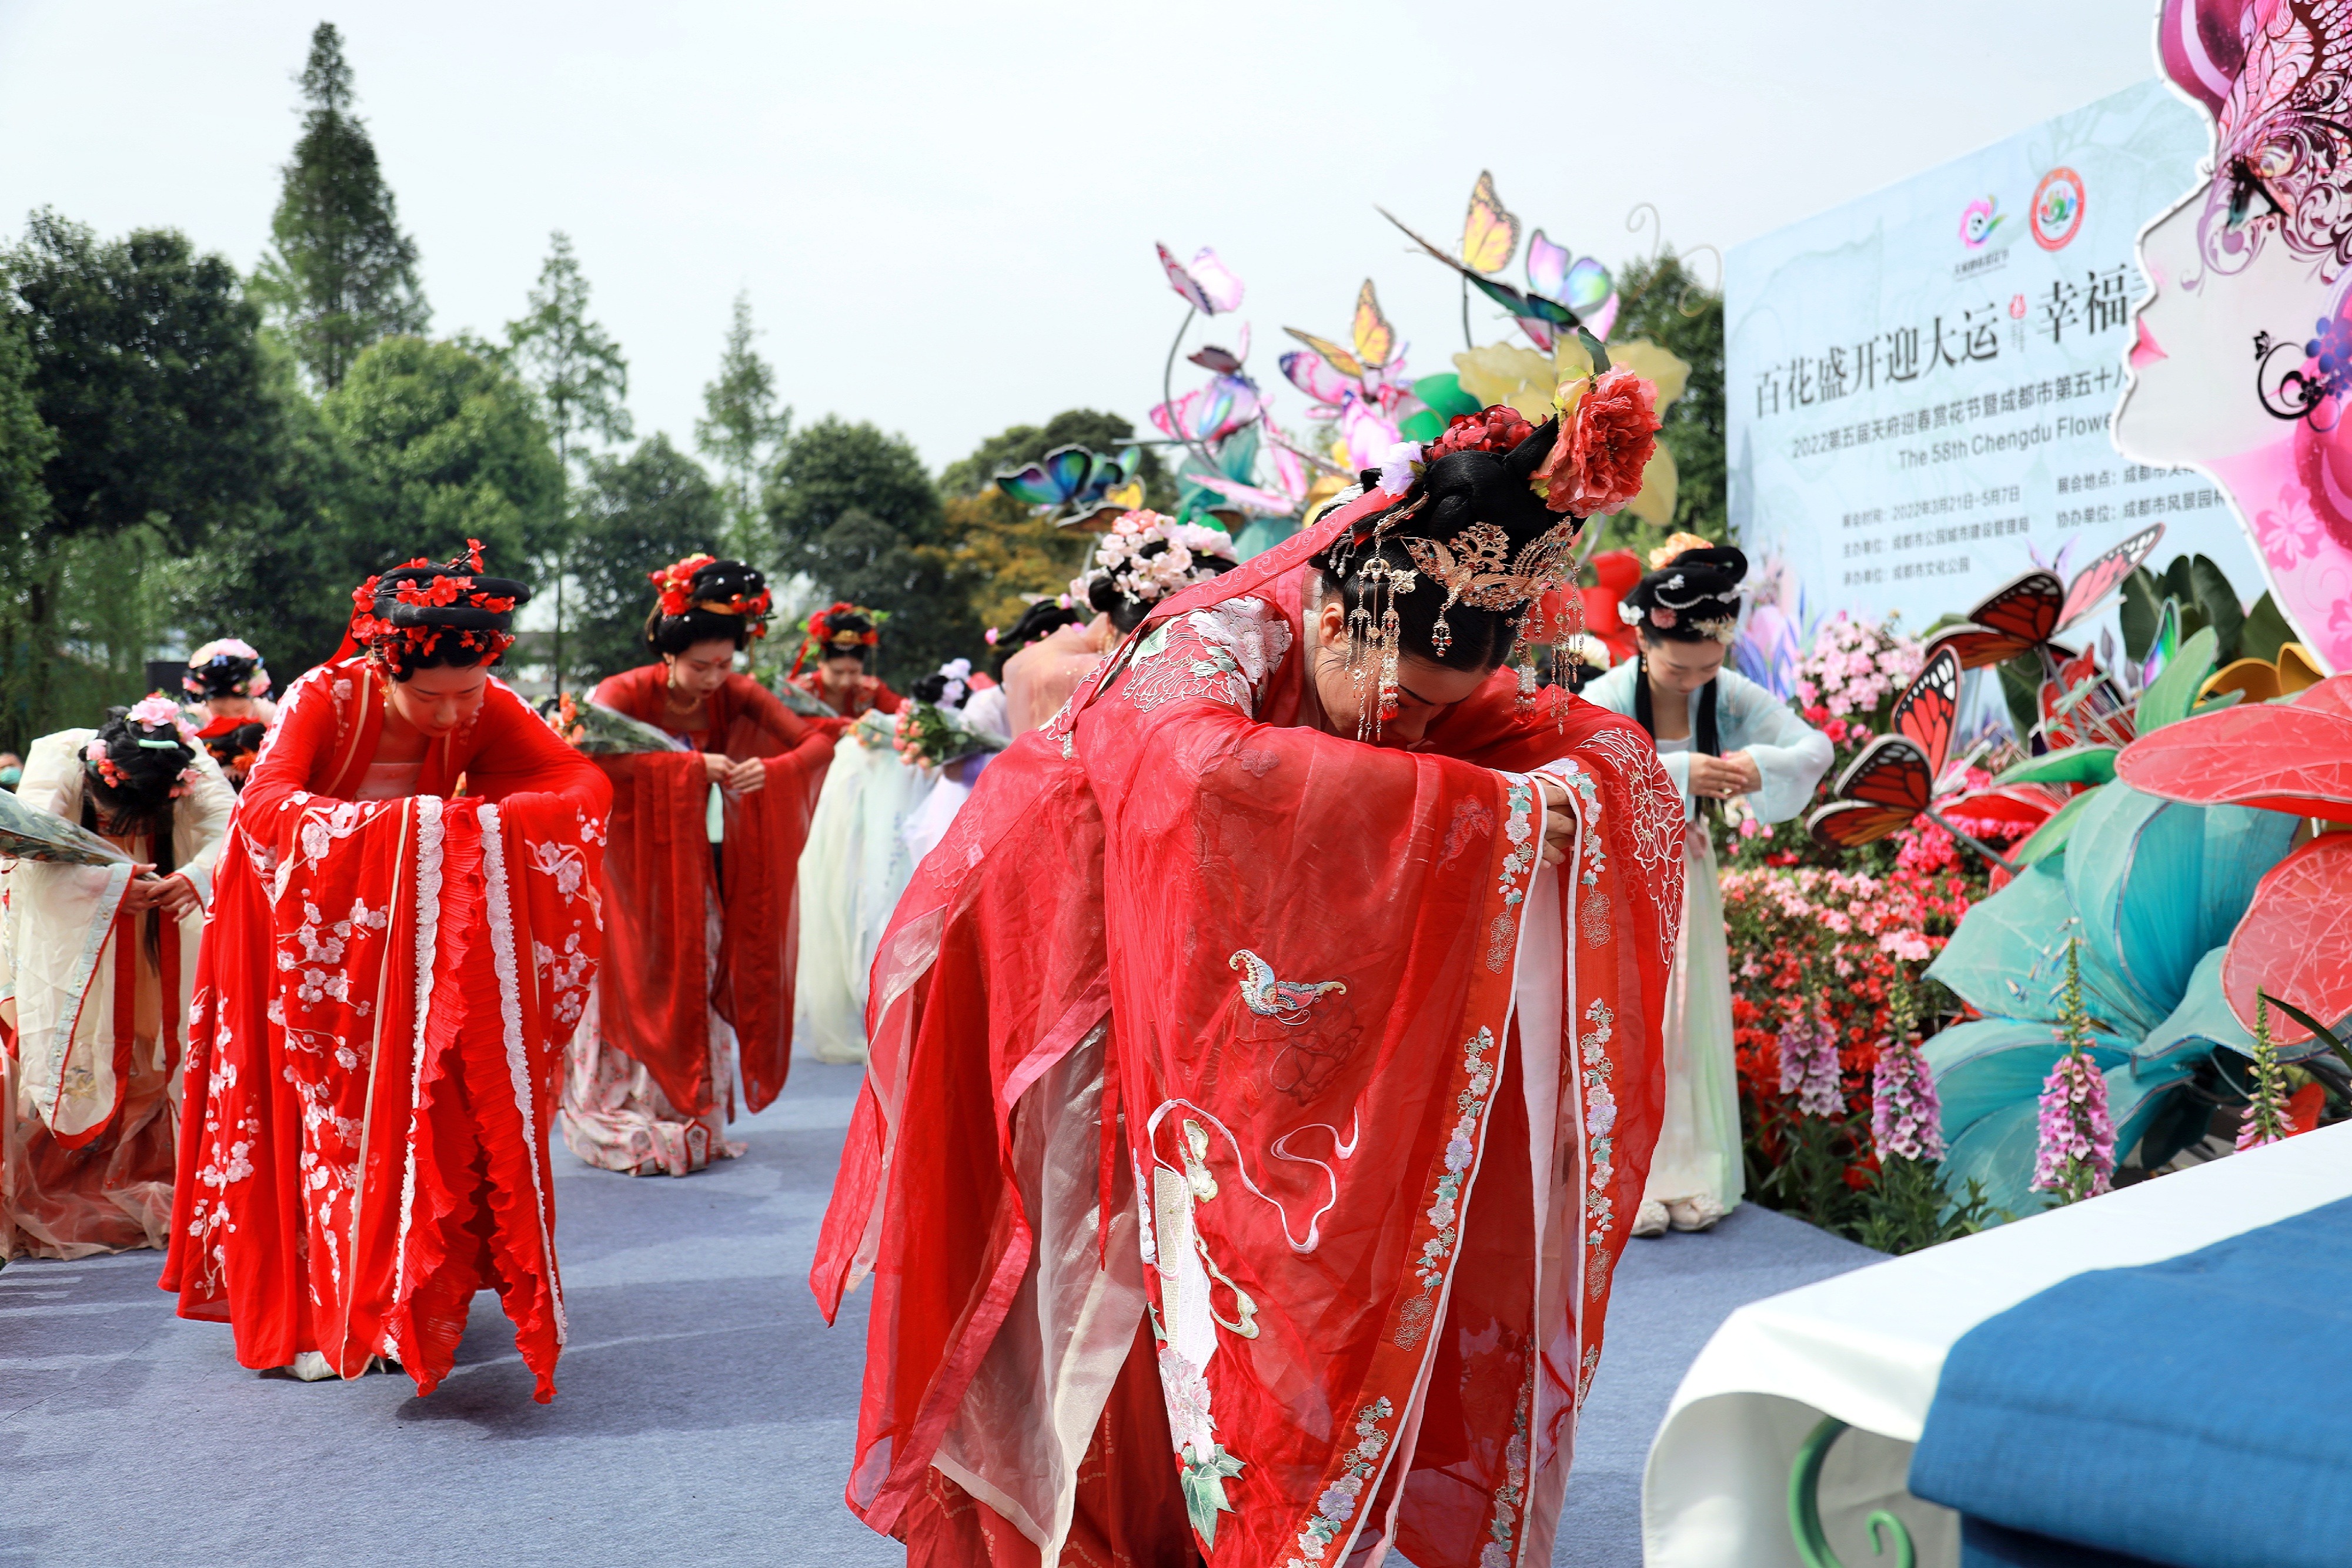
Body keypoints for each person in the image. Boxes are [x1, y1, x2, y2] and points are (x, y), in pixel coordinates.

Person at [814, 400, 1686, 1567]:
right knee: (1107, 1271)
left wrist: (1578, 780)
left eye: (1444, 709)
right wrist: (1504, 812)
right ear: (1340, 610)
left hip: (1204, 972)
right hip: (1067, 972)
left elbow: (1558, 738)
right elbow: (1204, 777)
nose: (1421, 732)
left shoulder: (1392, 660)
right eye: (1407, 700)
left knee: (1241, 1244)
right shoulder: (1207, 643)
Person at [161, 543, 610, 1402]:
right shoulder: (323, 697)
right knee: (306, 1120)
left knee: (409, 1108)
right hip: (293, 930)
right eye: (430, 696)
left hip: (412, 933)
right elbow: (265, 804)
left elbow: (577, 779)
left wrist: (485, 825)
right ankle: (307, 1315)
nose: (452, 716)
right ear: (380, 662)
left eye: (469, 695)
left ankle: (396, 1298)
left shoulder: (486, 700)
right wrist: (423, 828)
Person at [562, 554, 843, 1177]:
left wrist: (770, 770)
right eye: (701, 667)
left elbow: (819, 737)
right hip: (623, 868)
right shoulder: (620, 694)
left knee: (699, 958)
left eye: (725, 664)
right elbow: (586, 768)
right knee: (631, 968)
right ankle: (618, 1103)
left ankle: (689, 1106)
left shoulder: (736, 694)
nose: (715, 678)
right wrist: (693, 768)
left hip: (692, 863)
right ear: (667, 654)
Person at [1581, 538, 1832, 1237]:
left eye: (1709, 665)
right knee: (1631, 1024)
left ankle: (1690, 1174)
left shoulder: (1725, 690)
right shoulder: (1603, 695)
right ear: (1642, 638)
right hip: (1614, 877)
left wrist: (1758, 763)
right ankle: (1625, 1183)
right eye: (1676, 666)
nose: (1693, 681)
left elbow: (1815, 749)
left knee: (1689, 1026)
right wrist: (1686, 769)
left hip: (1685, 871)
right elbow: (1581, 769)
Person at [1, 698, 232, 1259]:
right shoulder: (56, 757)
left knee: (162, 1032)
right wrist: (104, 890)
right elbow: (24, 856)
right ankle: (79, 1172)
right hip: (84, 919)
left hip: (166, 912)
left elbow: (237, 829)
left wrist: (198, 876)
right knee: (86, 1029)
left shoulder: (189, 760)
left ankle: (178, 1165)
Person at [790, 603, 903, 718]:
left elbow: (904, 713)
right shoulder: (798, 691)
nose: (845, 682)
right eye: (837, 672)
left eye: (854, 672)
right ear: (820, 661)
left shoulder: (871, 690)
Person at [181, 637, 279, 728]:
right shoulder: (191, 720)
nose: (232, 718)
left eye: (241, 710)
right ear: (206, 704)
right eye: (220, 712)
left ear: (252, 697)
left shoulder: (273, 717)